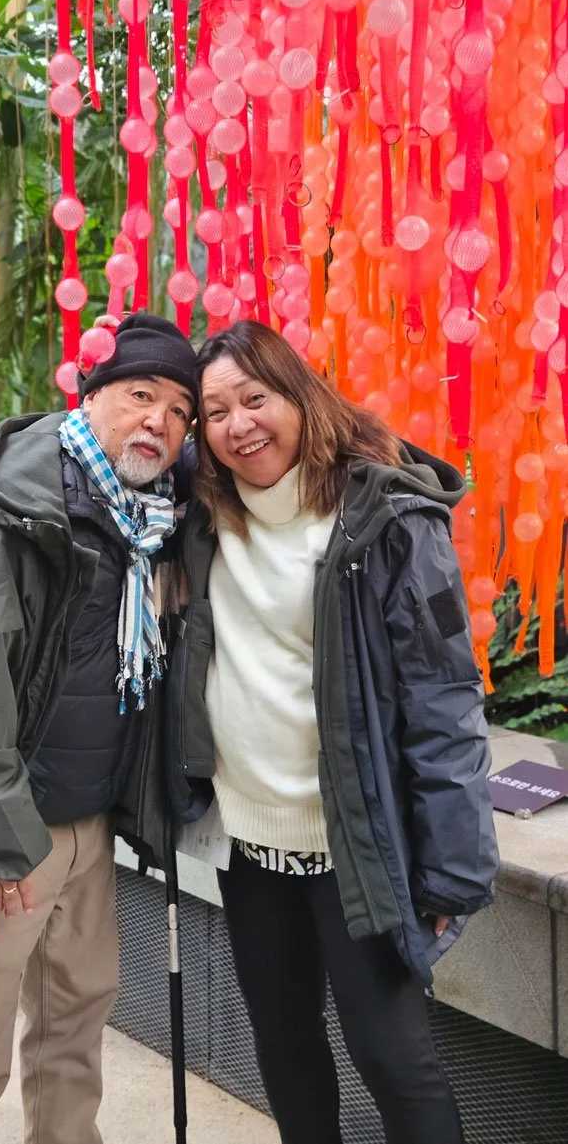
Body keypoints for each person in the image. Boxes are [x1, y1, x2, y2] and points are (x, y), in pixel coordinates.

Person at [166, 319, 499, 1144]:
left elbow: (444, 706)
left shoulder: (383, 516)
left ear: (300, 394)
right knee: (284, 1051)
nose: (239, 424)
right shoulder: (203, 515)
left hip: (353, 850)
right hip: (251, 851)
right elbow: (111, 438)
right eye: (215, 411)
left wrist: (451, 871)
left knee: (393, 1059)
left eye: (255, 397)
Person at [0, 312, 197, 1144]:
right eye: (140, 395)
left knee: (74, 1036)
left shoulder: (153, 520)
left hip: (90, 827)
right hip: (4, 833)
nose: (158, 423)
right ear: (91, 395)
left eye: (178, 410)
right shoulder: (18, 510)